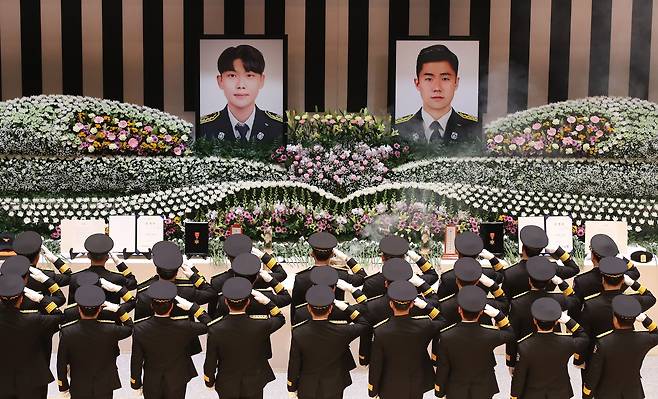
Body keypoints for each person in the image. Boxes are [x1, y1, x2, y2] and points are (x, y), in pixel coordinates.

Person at [203, 277, 286, 399]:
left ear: (225, 302)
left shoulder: (215, 329)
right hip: (255, 381)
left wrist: (209, 380)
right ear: (248, 302)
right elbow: (280, 318)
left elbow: (211, 359)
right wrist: (267, 302)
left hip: (227, 382)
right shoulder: (261, 324)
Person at [130, 280, 212, 399]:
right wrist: (193, 308)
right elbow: (210, 325)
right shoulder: (185, 326)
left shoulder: (139, 329)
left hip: (152, 380)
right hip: (177, 378)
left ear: (152, 306)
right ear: (172, 306)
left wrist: (135, 383)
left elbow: (136, 359)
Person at [287, 285, 369, 399]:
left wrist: (291, 387)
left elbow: (294, 362)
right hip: (335, 384)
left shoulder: (298, 333)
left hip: (307, 385)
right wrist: (348, 308)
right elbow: (364, 324)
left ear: (309, 309)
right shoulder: (342, 331)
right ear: (330, 309)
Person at [367, 281, 446, 399]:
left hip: (389, 385)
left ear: (391, 304)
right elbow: (442, 321)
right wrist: (427, 306)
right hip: (416, 381)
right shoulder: (424, 325)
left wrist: (372, 390)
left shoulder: (380, 330)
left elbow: (376, 363)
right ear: (412, 305)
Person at [434, 285, 515, 399]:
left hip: (456, 388)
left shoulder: (446, 336)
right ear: (481, 312)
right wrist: (499, 315)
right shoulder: (490, 334)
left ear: (459, 310)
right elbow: (510, 334)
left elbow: (443, 366)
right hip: (484, 387)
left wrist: (439, 390)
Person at [56, 285, 134, 399]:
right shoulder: (111, 329)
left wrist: (63, 387)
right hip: (105, 385)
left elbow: (61, 363)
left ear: (78, 308)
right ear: (99, 309)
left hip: (79, 385)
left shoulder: (67, 332)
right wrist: (119, 310)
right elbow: (130, 328)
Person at [394, 44, 479, 147]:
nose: (437, 88)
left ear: (456, 82)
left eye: (445, 79)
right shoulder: (398, 129)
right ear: (417, 83)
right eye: (429, 79)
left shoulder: (474, 129)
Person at [505, 256, 580, 371]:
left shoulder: (517, 303)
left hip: (527, 350)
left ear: (529, 280)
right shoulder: (558, 299)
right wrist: (562, 284)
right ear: (550, 281)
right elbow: (575, 301)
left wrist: (511, 361)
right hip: (554, 347)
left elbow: (512, 334)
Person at [200, 44, 284, 145]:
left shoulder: (279, 127)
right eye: (232, 75)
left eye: (249, 75)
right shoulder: (204, 128)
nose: (240, 85)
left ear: (261, 80)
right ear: (220, 81)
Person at [510, 297, 589, 399]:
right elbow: (584, 337)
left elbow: (519, 377)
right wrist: (568, 321)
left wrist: (514, 396)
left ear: (534, 321)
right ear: (557, 322)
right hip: (560, 392)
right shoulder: (567, 342)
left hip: (533, 394)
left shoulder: (524, 346)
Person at [0, 274, 63, 399]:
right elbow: (59, 316)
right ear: (22, 299)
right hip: (32, 380)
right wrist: (41, 299)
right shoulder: (34, 320)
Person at [582, 295, 658, 398]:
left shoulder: (603, 343)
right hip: (633, 392)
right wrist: (646, 320)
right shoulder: (643, 339)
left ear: (615, 320)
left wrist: (587, 394)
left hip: (607, 393)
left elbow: (594, 372)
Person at [291, 232, 366, 322]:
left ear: (312, 254)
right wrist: (346, 258)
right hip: (337, 320)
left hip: (308, 323)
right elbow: (363, 277)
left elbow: (295, 309)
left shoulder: (300, 278)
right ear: (332, 254)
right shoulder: (341, 275)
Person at [209, 234, 287, 318]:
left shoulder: (217, 282)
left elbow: (212, 313)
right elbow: (282, 274)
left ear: (228, 257)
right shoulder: (262, 278)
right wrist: (263, 256)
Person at [502, 225, 580, 299]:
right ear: (540, 250)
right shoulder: (551, 268)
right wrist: (559, 251)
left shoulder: (509, 274)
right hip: (546, 309)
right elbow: (574, 269)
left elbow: (505, 301)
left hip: (519, 310)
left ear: (523, 248)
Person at [68, 233, 137, 306]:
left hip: (82, 316)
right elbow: (133, 284)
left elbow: (71, 305)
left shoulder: (75, 278)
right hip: (111, 316)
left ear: (88, 256)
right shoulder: (117, 278)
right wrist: (119, 263)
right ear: (107, 257)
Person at [362, 235, 438, 299]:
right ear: (404, 258)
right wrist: (417, 258)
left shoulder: (370, 283)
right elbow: (433, 276)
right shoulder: (413, 280)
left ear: (382, 258)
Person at [436, 231, 507, 298]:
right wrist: (492, 259)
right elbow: (502, 276)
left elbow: (440, 299)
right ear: (478, 254)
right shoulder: (488, 274)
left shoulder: (447, 277)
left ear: (457, 252)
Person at [573, 233, 641, 303]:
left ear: (592, 257)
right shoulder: (621, 275)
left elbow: (575, 307)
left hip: (592, 312)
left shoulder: (580, 281)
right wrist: (619, 256)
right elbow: (635, 272)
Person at [12, 230, 71, 308]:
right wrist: (55, 260)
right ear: (38, 256)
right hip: (45, 314)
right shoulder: (46, 275)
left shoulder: (7, 276)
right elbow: (69, 278)